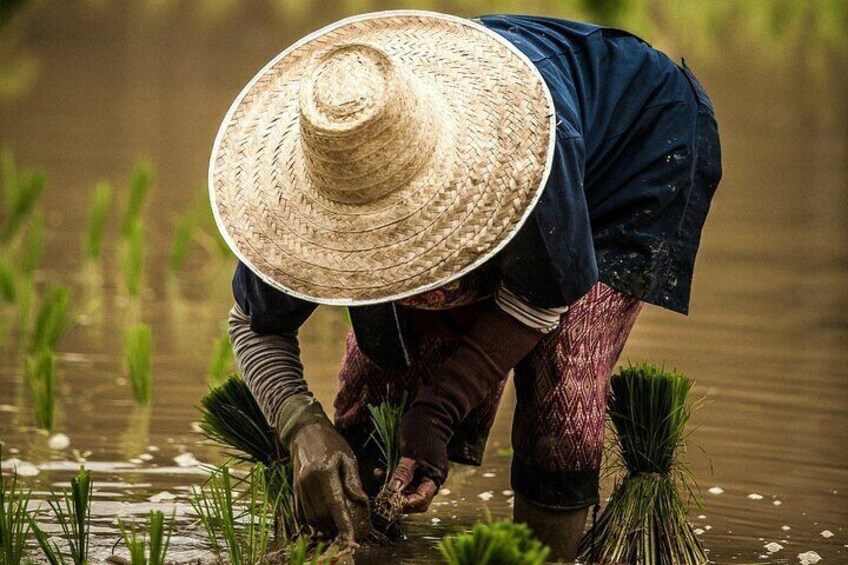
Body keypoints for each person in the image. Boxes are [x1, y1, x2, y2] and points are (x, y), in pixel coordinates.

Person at [209, 10, 722, 561]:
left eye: (398, 225)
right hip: (481, 140)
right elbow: (253, 324)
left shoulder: (523, 158)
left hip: (632, 148)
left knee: (564, 378)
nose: (383, 243)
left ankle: (542, 556)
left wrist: (440, 410)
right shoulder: (304, 187)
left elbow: (544, 295)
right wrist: (302, 428)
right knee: (383, 374)